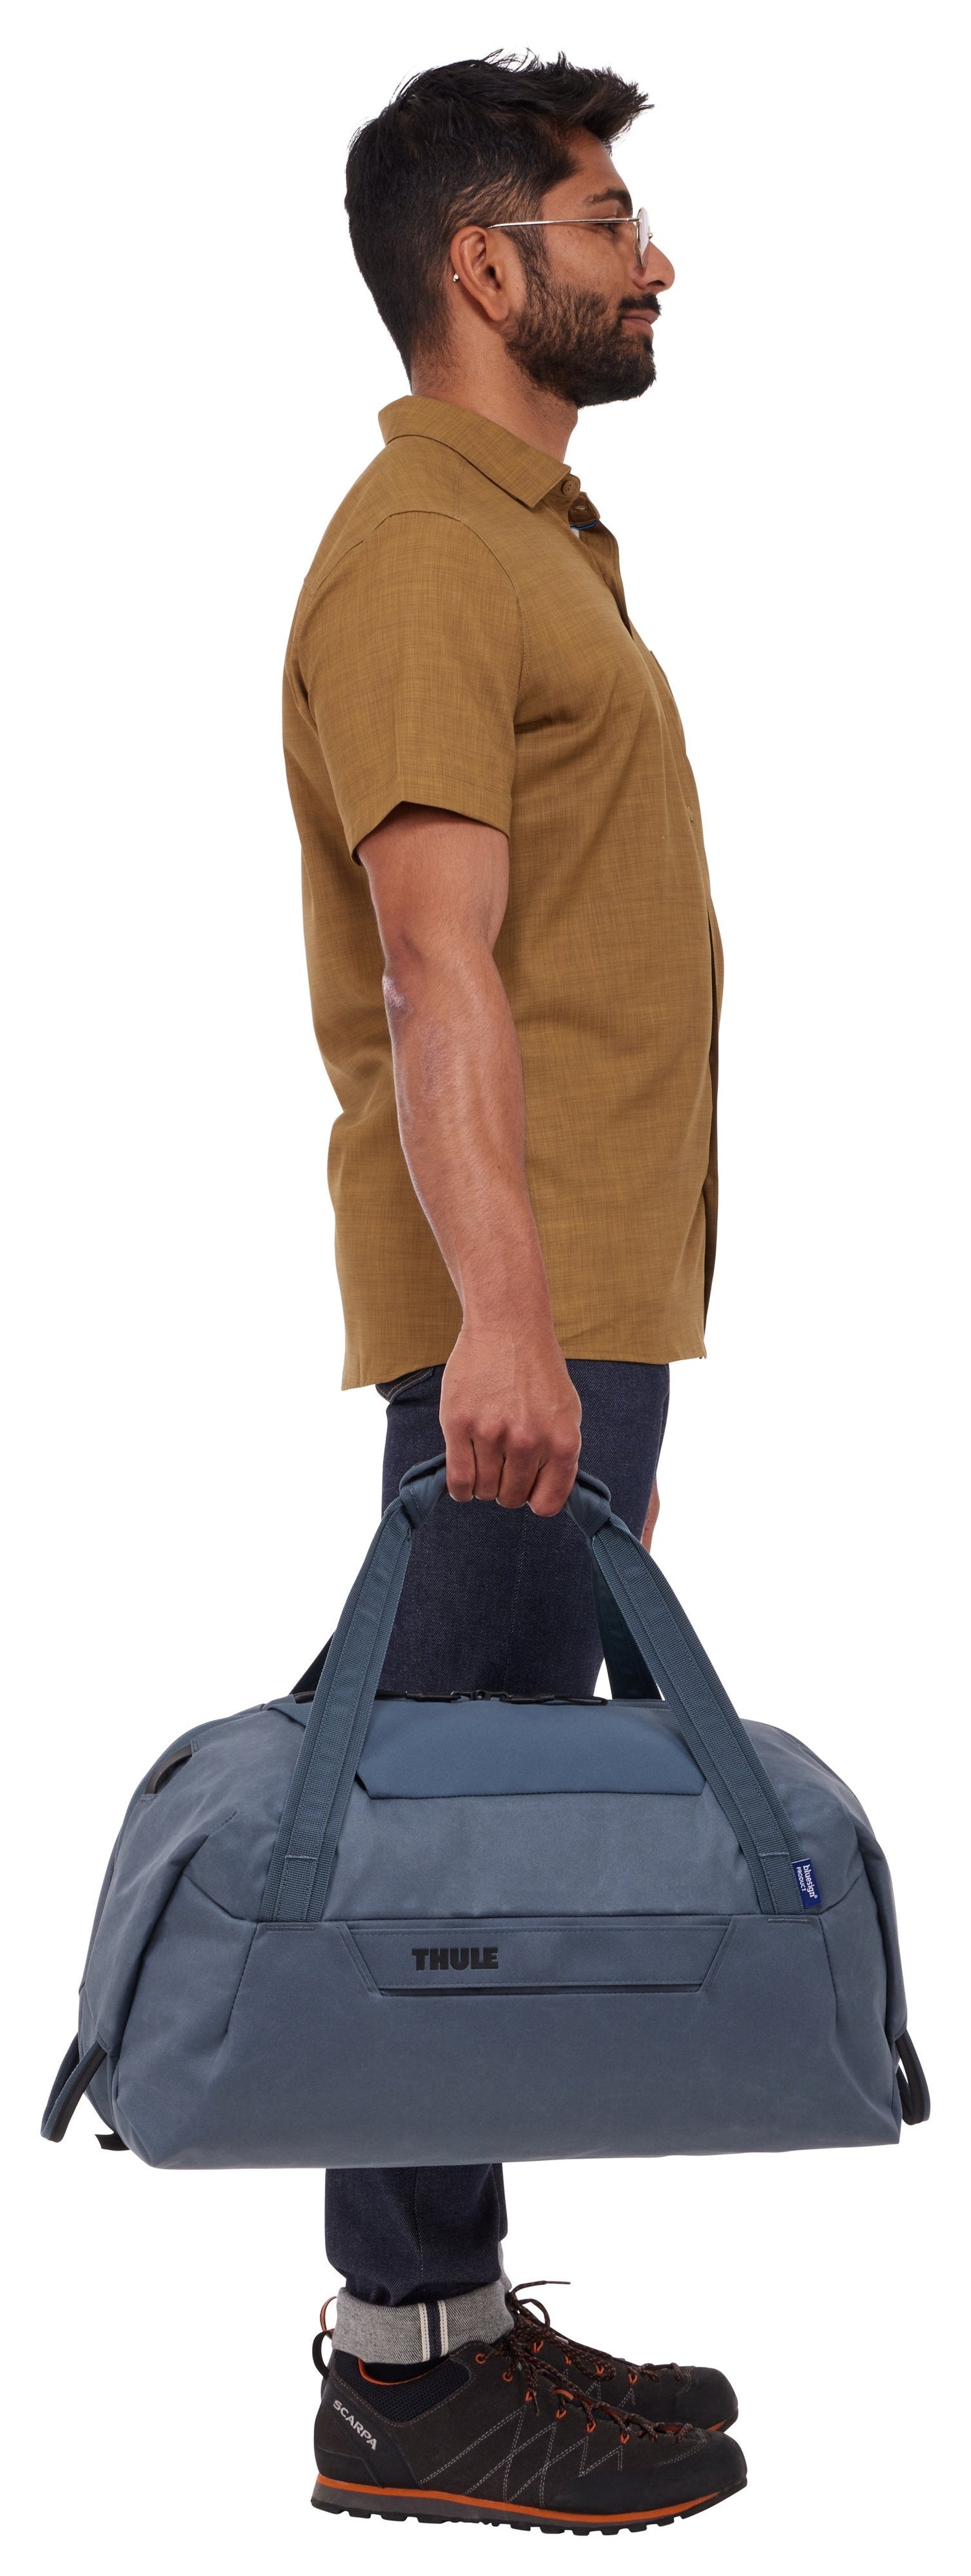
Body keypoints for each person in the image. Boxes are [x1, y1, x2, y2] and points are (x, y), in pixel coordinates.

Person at [282, 51, 744, 2533]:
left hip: (574, 1301)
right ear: (487, 265)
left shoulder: (531, 540)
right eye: (605, 219)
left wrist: (585, 1347)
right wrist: (499, 1327)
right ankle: (397, 2365)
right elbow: (430, 962)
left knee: (464, 1802)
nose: (651, 260)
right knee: (428, 1827)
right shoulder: (423, 557)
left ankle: (444, 2323)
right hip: (519, 1300)